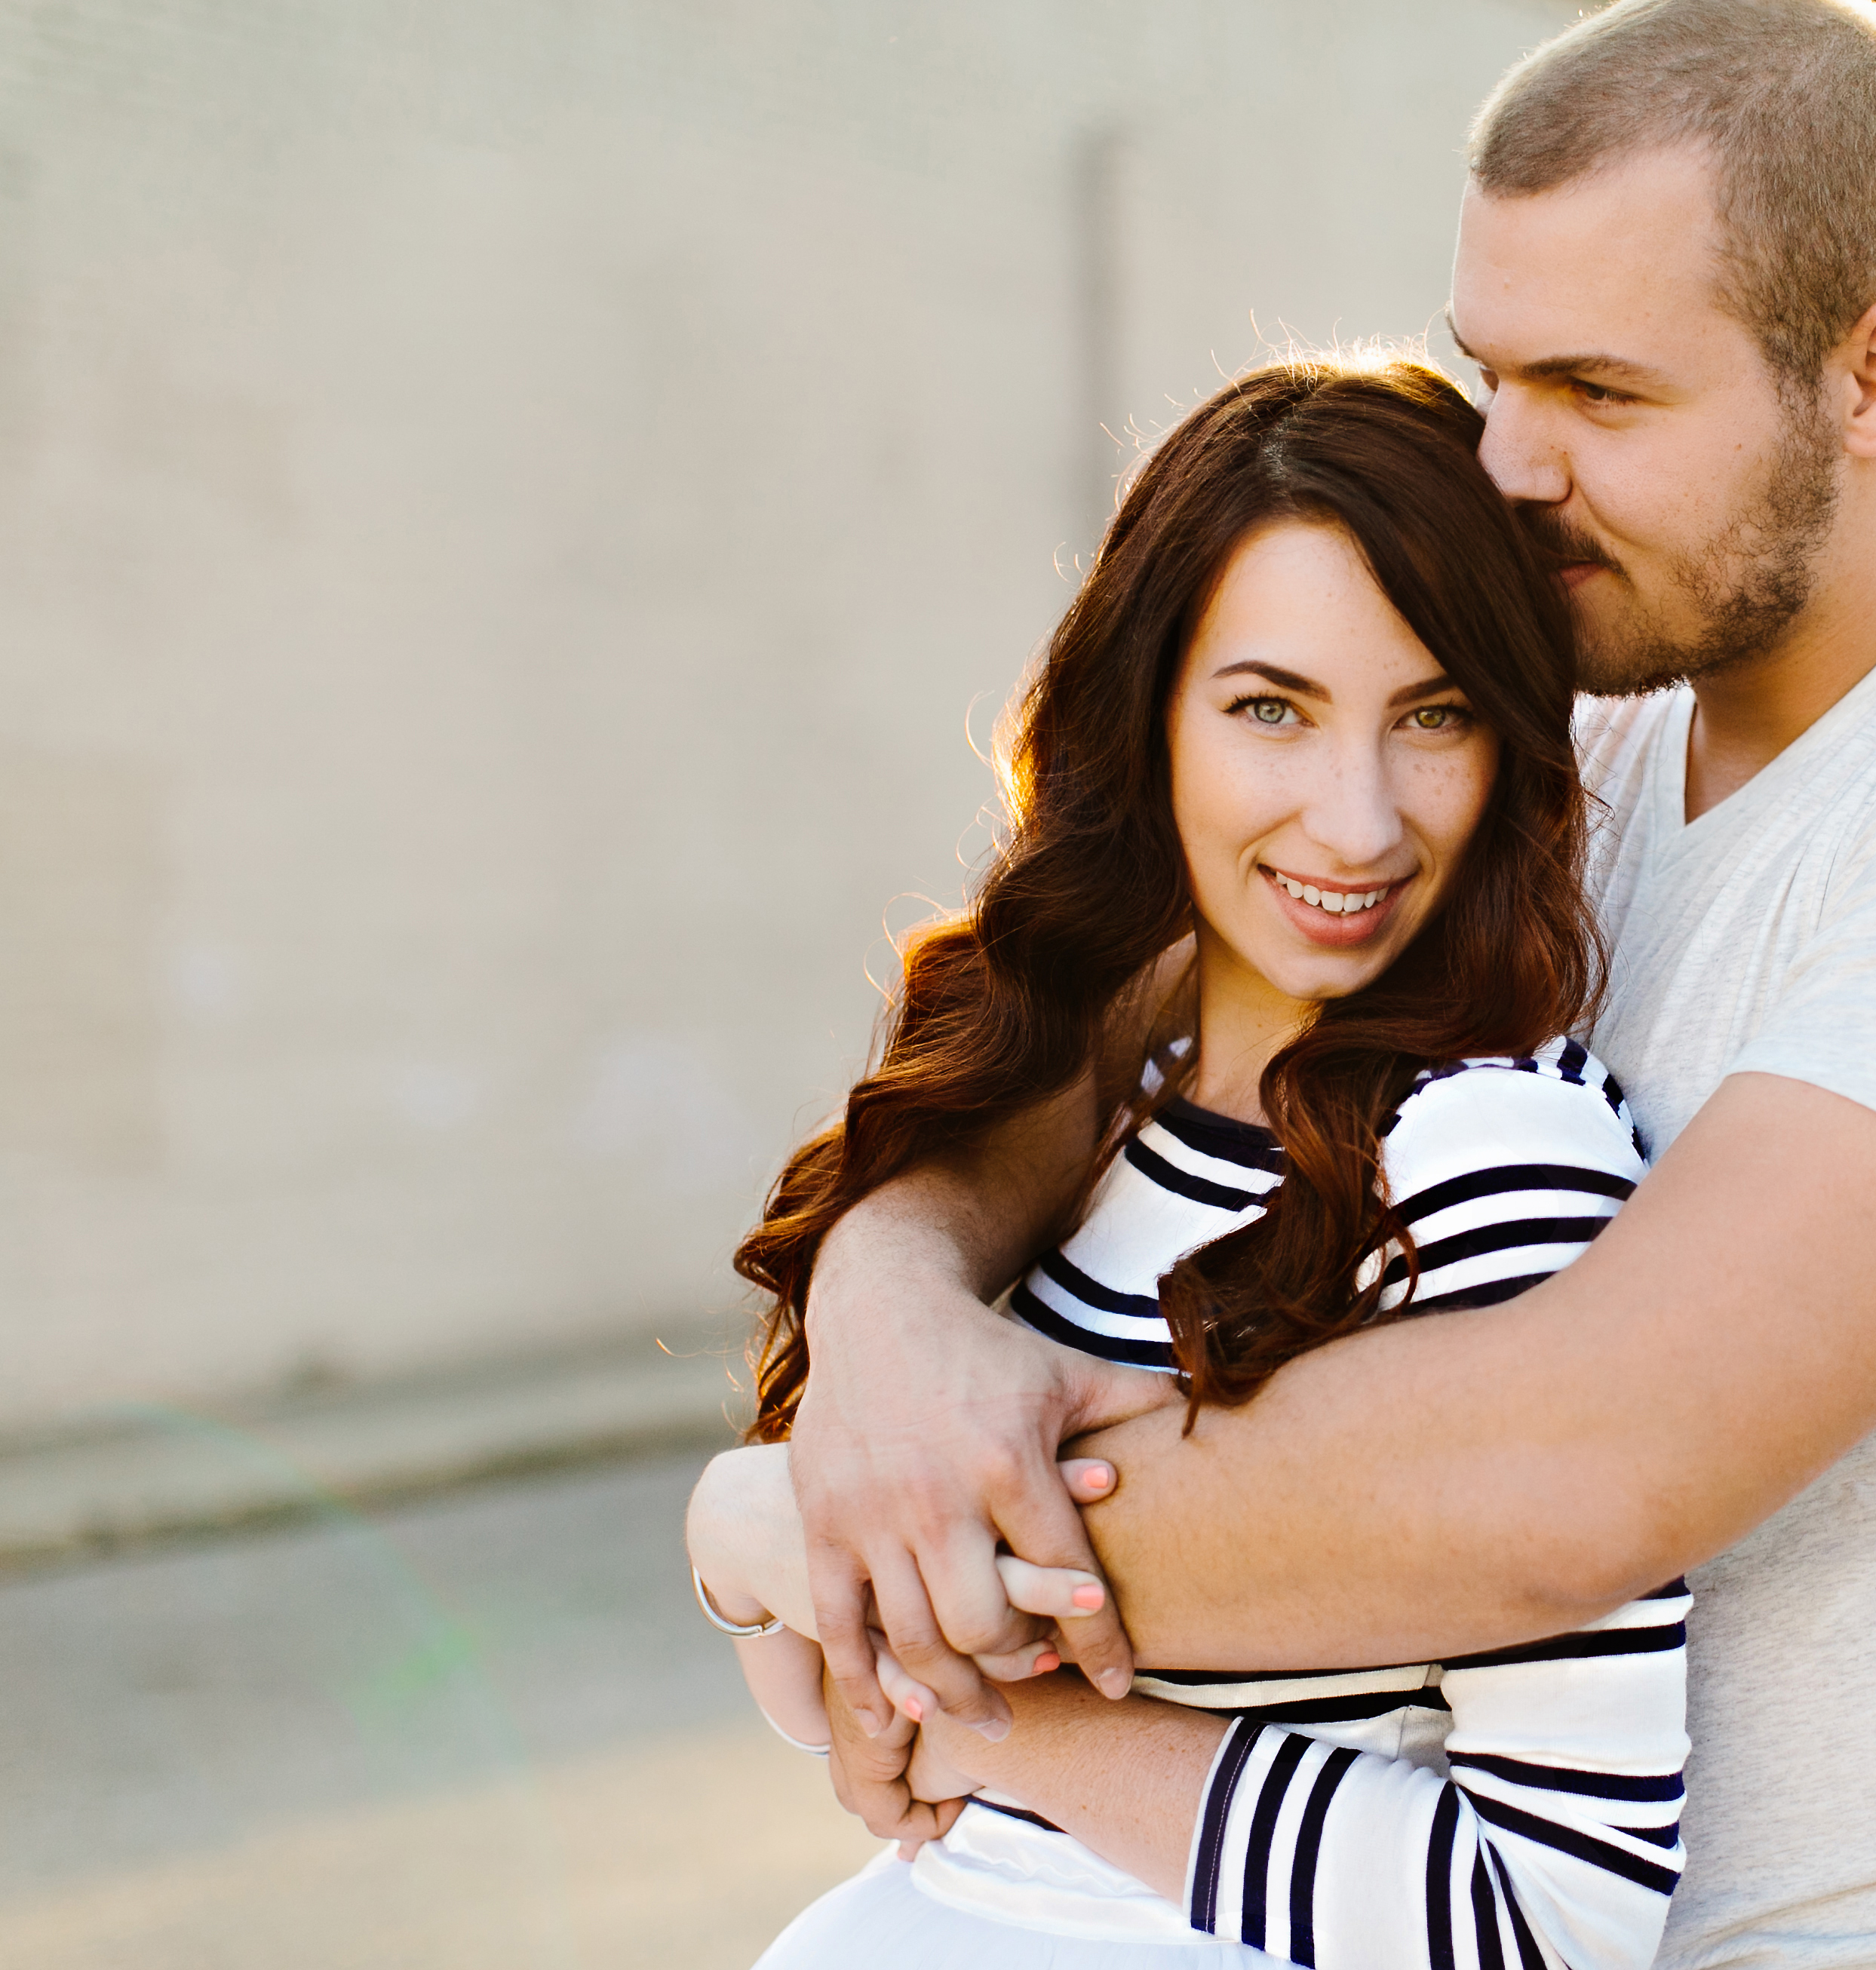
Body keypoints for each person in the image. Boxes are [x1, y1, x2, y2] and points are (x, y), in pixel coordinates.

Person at [787, 2, 1876, 1964]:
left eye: (1598, 392)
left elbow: (1560, 1470)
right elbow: (1083, 1052)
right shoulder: (1538, 725)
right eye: (1487, 372)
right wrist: (891, 1307)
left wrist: (851, 1540)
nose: (1506, 466)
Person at [686, 354, 1690, 1967]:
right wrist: (751, 1541)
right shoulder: (1110, 1115)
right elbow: (858, 1715)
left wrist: (993, 1718)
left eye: (1432, 716)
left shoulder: (1494, 1157)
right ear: (1145, 719)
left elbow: (1554, 1918)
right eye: (1269, 709)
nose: (1355, 823)